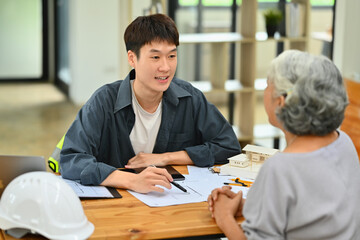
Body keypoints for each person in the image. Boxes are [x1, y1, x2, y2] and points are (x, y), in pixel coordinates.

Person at [60, 13, 241, 194]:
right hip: (119, 206)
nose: (166, 67)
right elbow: (71, 159)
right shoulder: (104, 101)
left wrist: (166, 158)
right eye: (155, 57)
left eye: (171, 56)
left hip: (170, 202)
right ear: (132, 59)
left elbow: (228, 146)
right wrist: (131, 180)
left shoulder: (190, 98)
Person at [207, 50, 360, 239]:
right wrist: (253, 206)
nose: (264, 90)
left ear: (281, 102)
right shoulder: (343, 142)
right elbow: (316, 214)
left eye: (267, 85)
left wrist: (225, 218)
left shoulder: (280, 168)